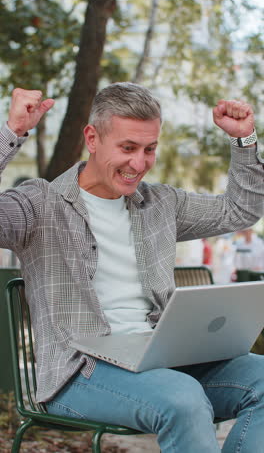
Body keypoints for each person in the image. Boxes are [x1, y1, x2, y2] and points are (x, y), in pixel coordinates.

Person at [1, 84, 264, 453]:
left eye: (149, 149)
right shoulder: (40, 204)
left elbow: (240, 211)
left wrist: (243, 141)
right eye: (127, 148)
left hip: (163, 358)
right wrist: (11, 131)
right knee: (183, 398)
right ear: (92, 138)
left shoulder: (161, 204)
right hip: (79, 374)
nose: (139, 164)